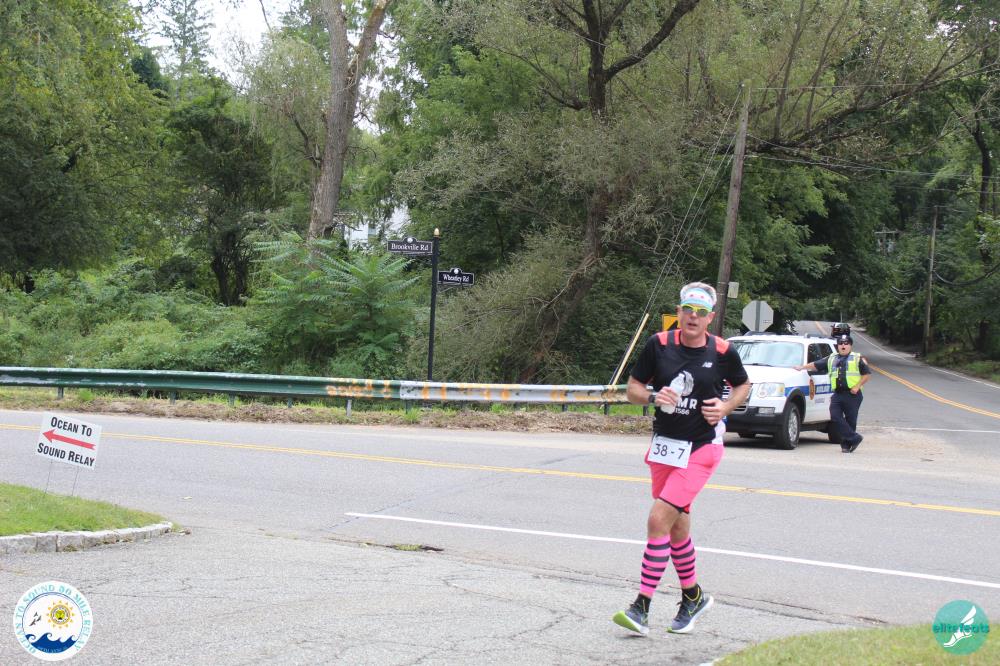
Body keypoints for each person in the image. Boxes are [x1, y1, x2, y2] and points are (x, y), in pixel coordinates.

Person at [612, 282, 751, 636]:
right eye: (688, 309)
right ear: (679, 311)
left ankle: (641, 607)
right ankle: (693, 597)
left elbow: (743, 385)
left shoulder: (722, 350)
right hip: (665, 447)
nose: (693, 316)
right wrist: (654, 397)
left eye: (701, 312)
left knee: (658, 519)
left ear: (710, 318)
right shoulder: (659, 345)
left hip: (702, 448)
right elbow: (632, 390)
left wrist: (726, 407)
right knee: (676, 526)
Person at [794, 333, 871, 452]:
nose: (843, 346)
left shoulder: (857, 358)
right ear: (838, 346)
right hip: (838, 394)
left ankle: (846, 445)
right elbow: (816, 365)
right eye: (841, 344)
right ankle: (854, 438)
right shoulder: (832, 358)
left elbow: (867, 375)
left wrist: (857, 386)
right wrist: (802, 367)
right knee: (835, 416)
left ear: (850, 346)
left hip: (853, 394)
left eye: (846, 344)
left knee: (851, 420)